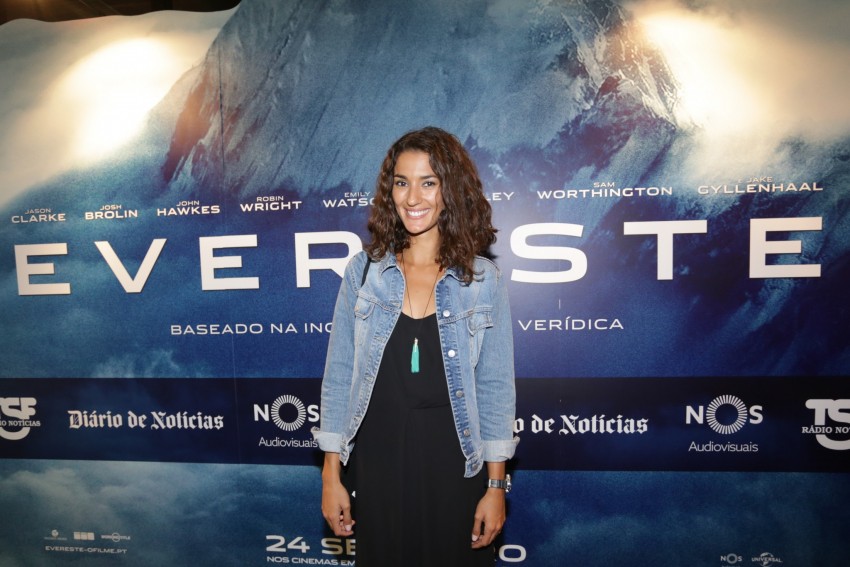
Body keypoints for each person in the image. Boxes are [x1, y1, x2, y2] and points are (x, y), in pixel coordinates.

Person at [312, 126, 518, 566]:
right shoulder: (363, 273)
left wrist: (495, 487)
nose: (412, 197)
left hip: (456, 465)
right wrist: (331, 475)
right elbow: (339, 377)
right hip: (378, 464)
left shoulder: (483, 280)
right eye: (402, 182)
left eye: (428, 182)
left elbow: (495, 388)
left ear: (450, 190)